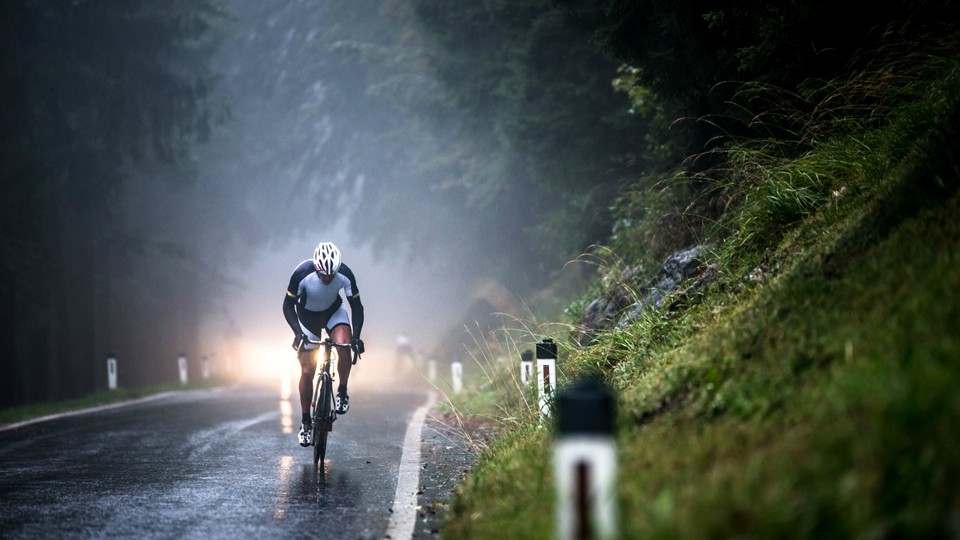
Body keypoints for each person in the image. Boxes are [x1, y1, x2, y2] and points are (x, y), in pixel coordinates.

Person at [283, 241, 365, 447]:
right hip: (306, 317)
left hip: (333, 313)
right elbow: (287, 305)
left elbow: (357, 307)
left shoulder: (345, 274)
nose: (328, 279)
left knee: (344, 345)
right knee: (307, 370)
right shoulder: (302, 273)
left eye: (332, 275)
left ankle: (342, 391)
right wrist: (298, 333)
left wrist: (357, 337)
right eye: (323, 275)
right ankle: (305, 422)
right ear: (317, 268)